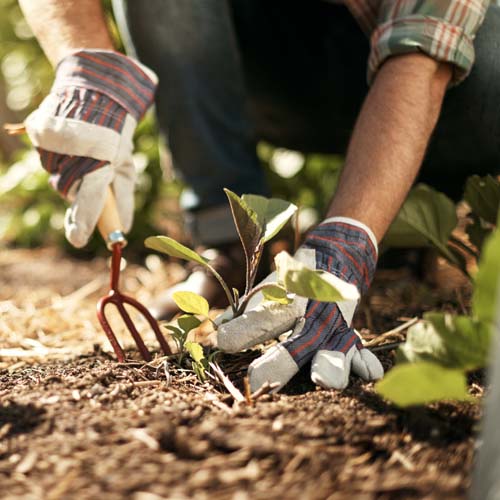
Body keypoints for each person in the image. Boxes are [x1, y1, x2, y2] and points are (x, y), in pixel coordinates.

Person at [18, 0, 498, 392]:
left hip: (457, 79)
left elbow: (424, 58)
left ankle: (404, 220)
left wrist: (348, 240)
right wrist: (86, 62)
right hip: (274, 70)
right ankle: (231, 243)